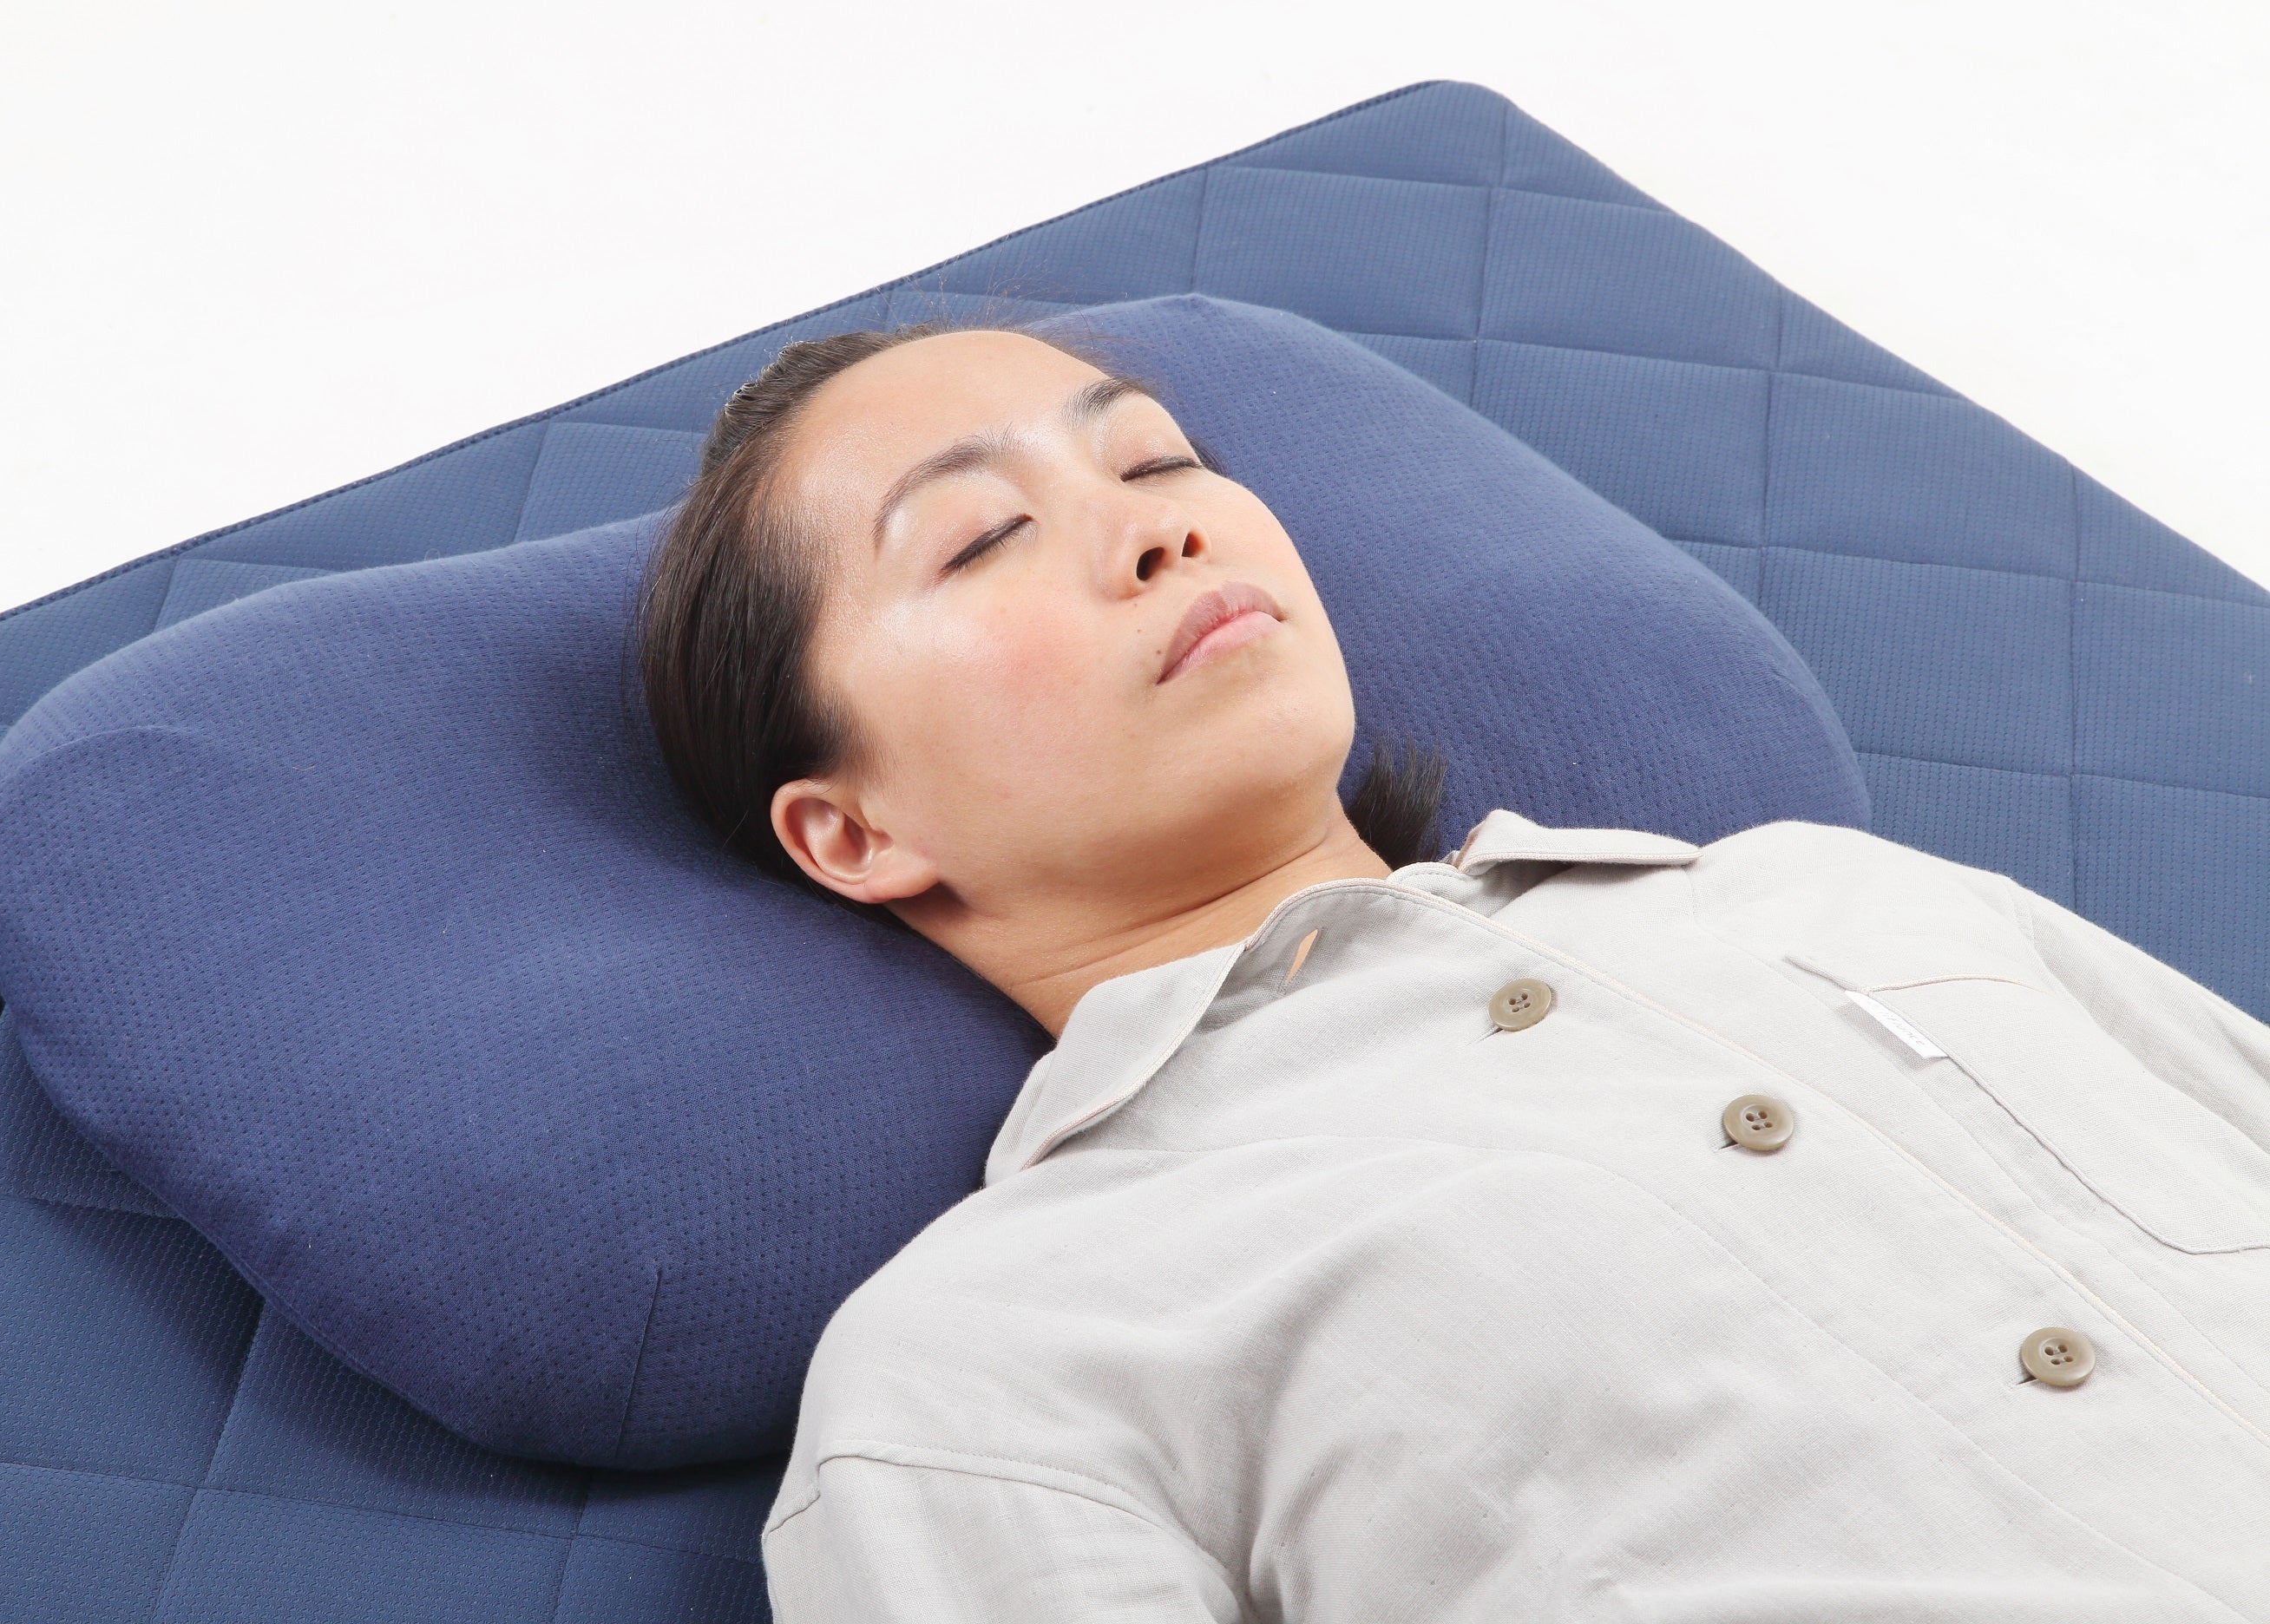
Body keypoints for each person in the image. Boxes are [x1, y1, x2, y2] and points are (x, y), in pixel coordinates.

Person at [641, 323, 2270, 1620]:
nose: (1157, 526)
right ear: (850, 832)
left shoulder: (1847, 893)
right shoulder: (989, 1354)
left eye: (1156, 458)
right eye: (984, 536)